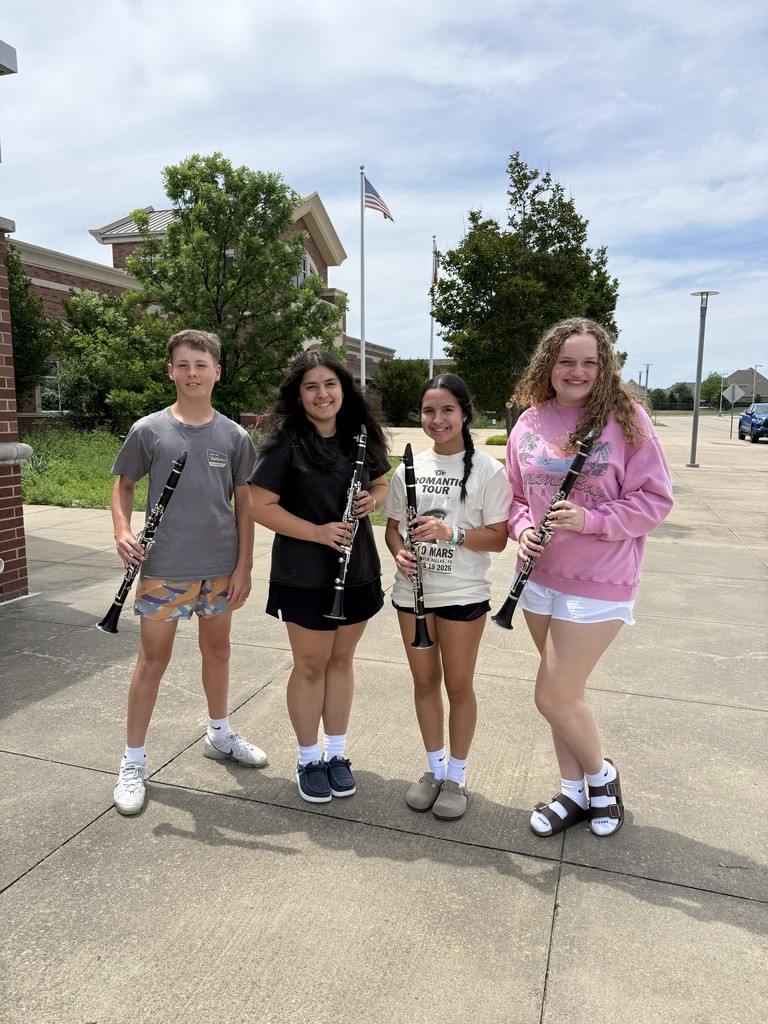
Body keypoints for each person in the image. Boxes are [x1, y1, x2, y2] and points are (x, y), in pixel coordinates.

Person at [505, 317, 673, 838]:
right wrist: (523, 528)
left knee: (553, 696)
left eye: (589, 362)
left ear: (604, 369)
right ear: (548, 366)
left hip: (599, 579)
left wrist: (592, 519)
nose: (577, 371)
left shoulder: (627, 420)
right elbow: (513, 497)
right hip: (538, 580)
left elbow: (655, 499)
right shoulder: (528, 421)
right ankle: (572, 794)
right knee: (566, 694)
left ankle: (602, 781)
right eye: (566, 361)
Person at [110, 329, 267, 816]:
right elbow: (123, 487)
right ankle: (132, 761)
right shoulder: (149, 429)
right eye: (183, 364)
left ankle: (219, 734)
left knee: (217, 651)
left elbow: (246, 506)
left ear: (217, 372)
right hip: (165, 566)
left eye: (202, 365)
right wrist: (121, 530)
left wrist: (244, 564)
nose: (193, 373)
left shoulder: (235, 436)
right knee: (152, 661)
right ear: (171, 371)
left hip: (219, 567)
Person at [247, 350, 390, 804]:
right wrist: (317, 532)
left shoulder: (361, 436)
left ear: (344, 390)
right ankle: (309, 757)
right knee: (311, 666)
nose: (322, 394)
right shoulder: (287, 444)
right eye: (311, 386)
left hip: (358, 569)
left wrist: (374, 498)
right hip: (305, 573)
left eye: (330, 384)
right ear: (299, 395)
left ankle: (336, 754)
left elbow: (382, 481)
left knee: (342, 663)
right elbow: (259, 505)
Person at [383, 374, 512, 821]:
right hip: (411, 593)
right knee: (423, 684)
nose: (437, 420)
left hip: (462, 593)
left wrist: (450, 532)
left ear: (464, 414)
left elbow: (498, 538)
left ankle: (457, 776)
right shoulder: (408, 468)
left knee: (458, 687)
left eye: (447, 410)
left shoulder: (489, 471)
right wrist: (399, 552)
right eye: (428, 411)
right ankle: (434, 770)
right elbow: (393, 527)